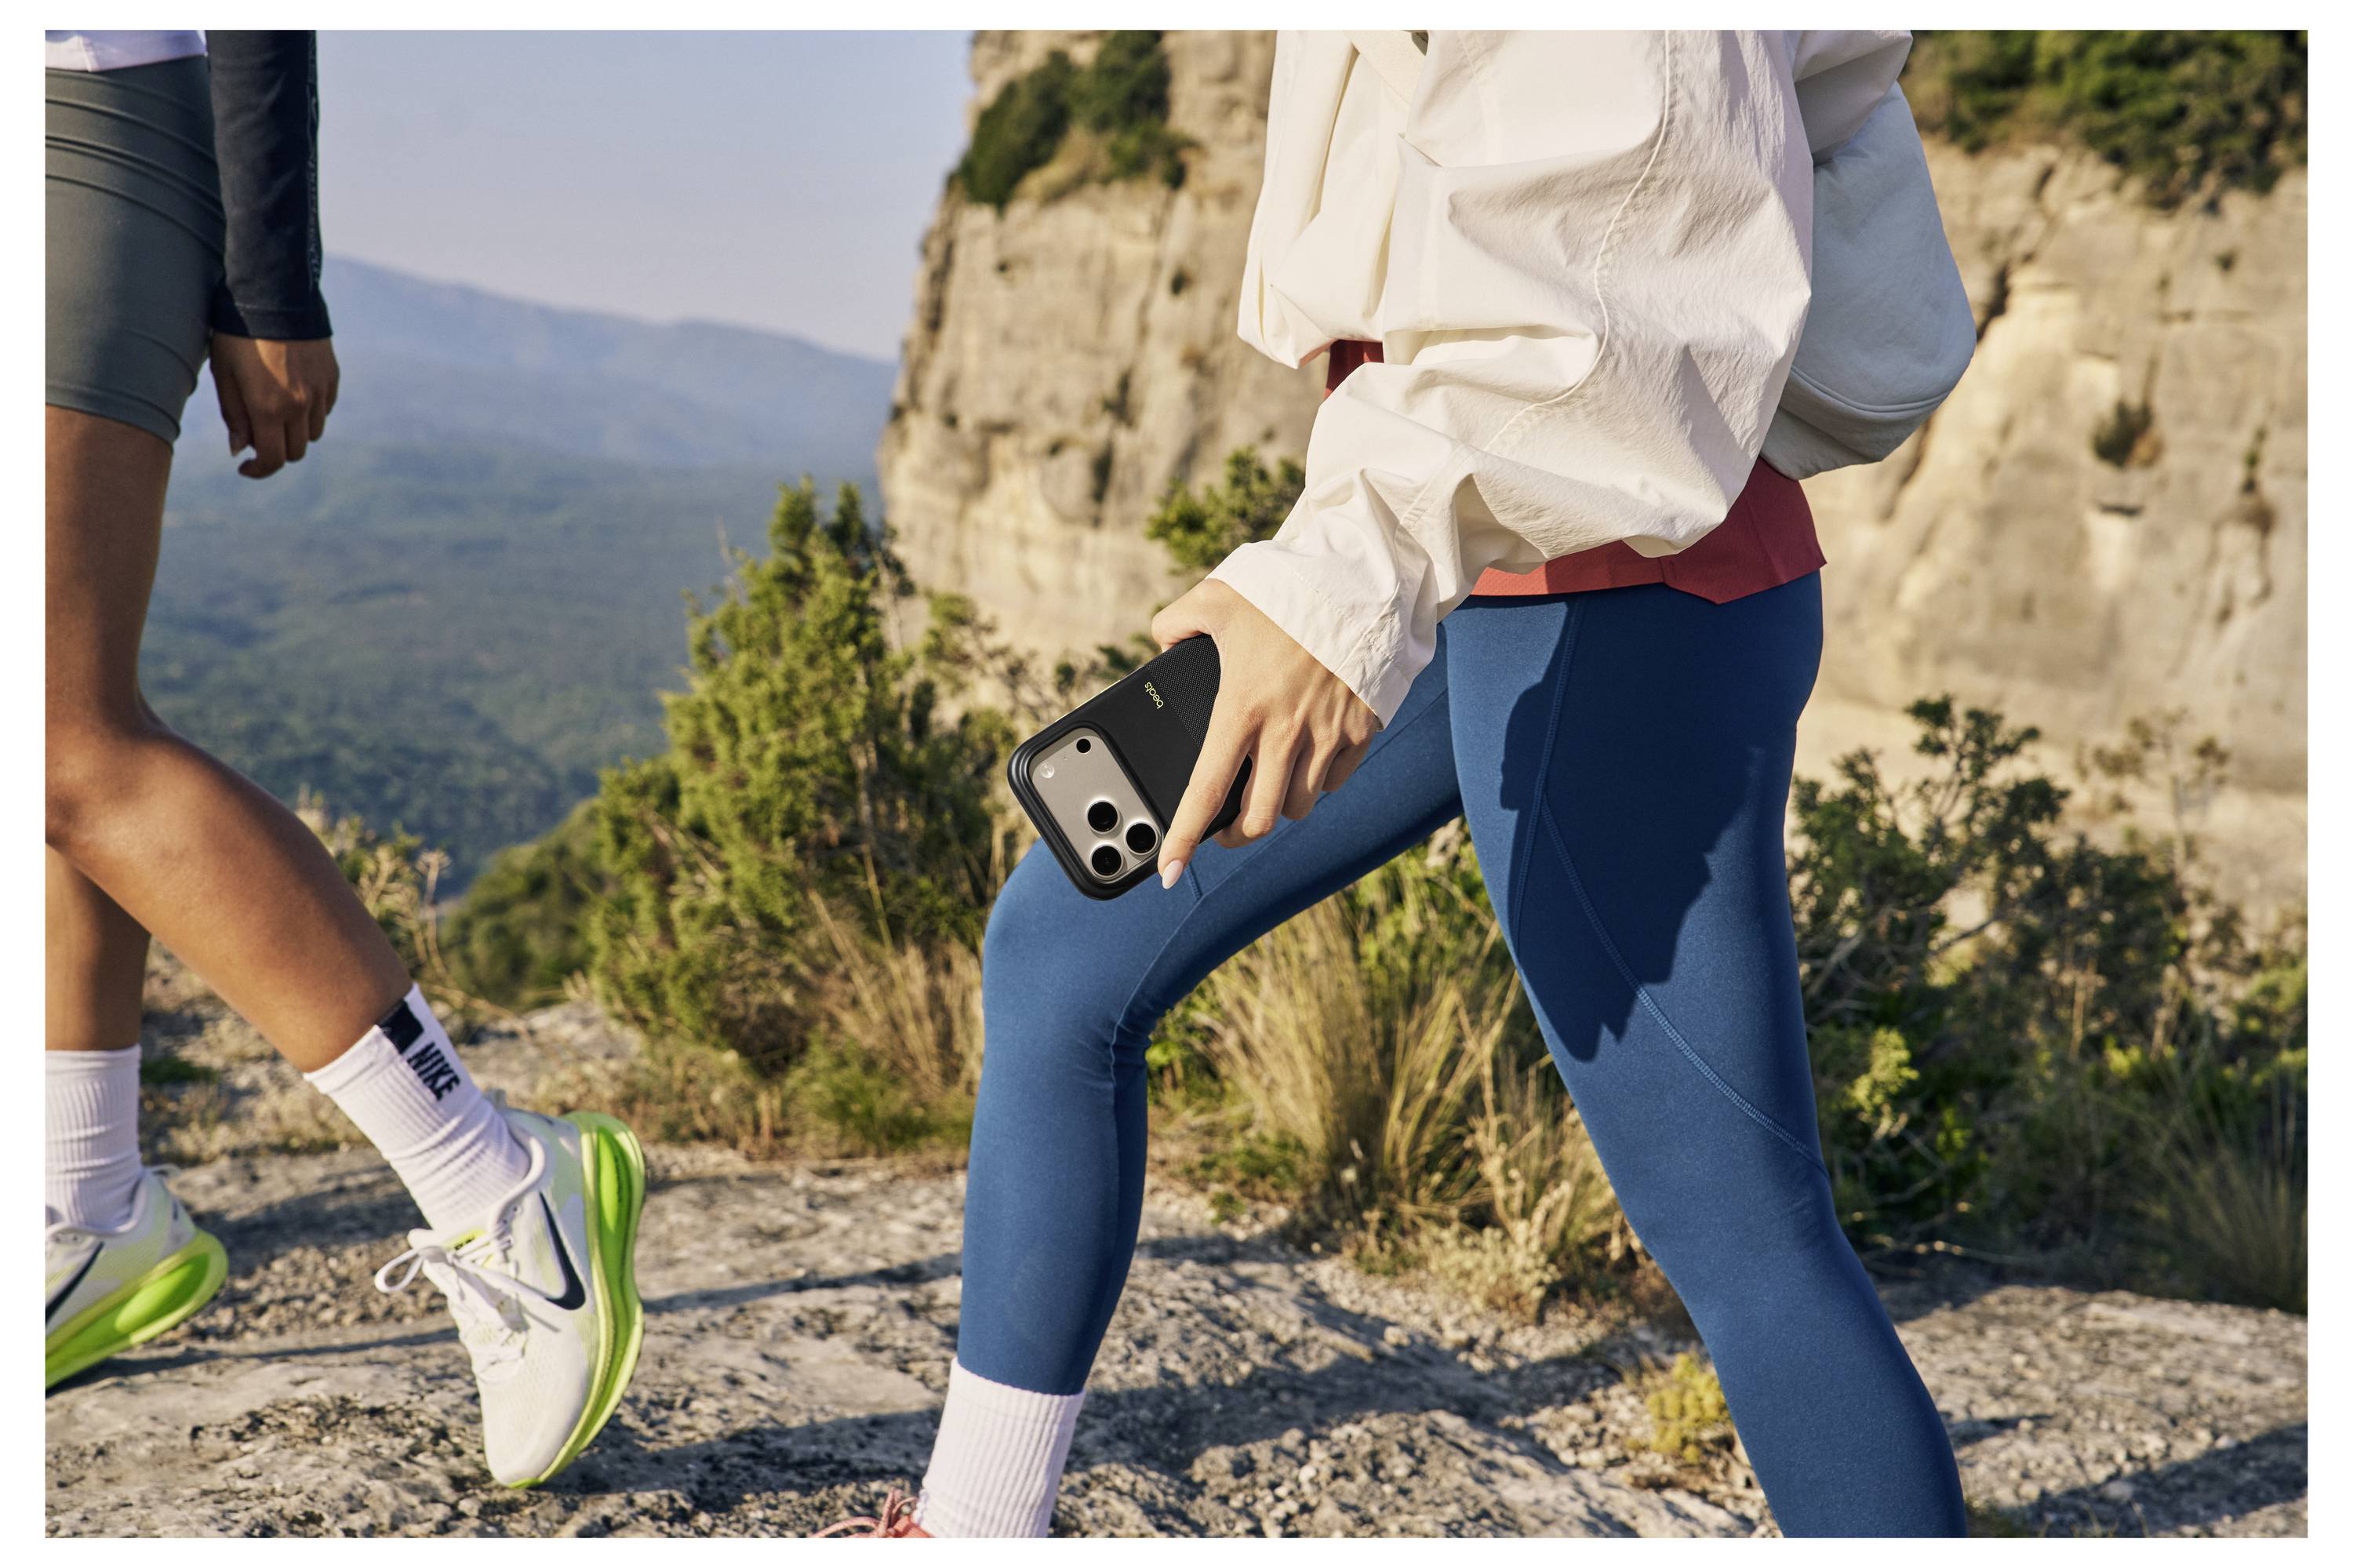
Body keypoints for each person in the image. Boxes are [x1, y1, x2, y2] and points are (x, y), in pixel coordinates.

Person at [827, 30, 1977, 1537]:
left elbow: (1619, 211)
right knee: (1063, 950)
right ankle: (976, 1526)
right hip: (1467, 533)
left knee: (1742, 1231)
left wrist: (1344, 585)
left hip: (1602, 577)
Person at [43, 29, 646, 1489]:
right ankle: (86, 1209)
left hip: (74, 118)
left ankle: (500, 1181)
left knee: (59, 740)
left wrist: (271, 280)